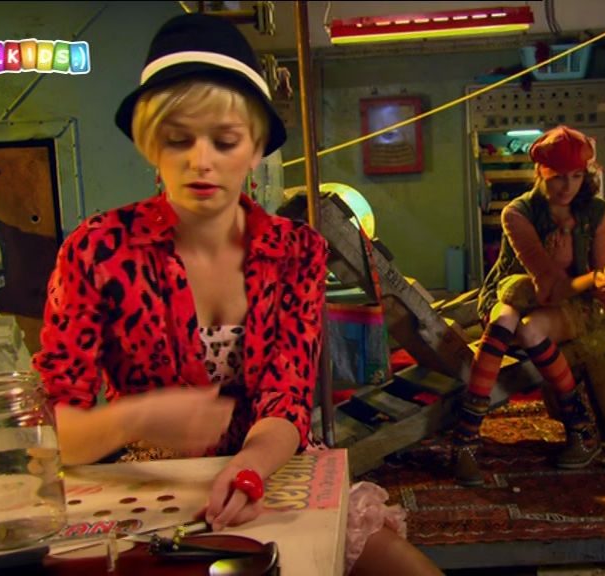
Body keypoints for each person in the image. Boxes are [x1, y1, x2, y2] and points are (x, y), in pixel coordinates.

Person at [33, 13, 441, 576]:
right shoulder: (97, 251)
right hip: (149, 492)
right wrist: (137, 418)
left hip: (270, 470)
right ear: (151, 146)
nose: (201, 160)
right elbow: (54, 433)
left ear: (254, 150)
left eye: (225, 141)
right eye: (178, 139)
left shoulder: (296, 251)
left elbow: (286, 399)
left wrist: (249, 468)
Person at [451, 126, 605, 486]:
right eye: (558, 176)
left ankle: (581, 430)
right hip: (518, 293)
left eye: (576, 176)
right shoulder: (518, 213)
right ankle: (465, 441)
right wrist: (588, 278)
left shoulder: (596, 212)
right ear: (541, 171)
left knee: (530, 330)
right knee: (505, 317)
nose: (568, 186)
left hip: (570, 305)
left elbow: (598, 275)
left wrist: (604, 285)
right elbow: (547, 283)